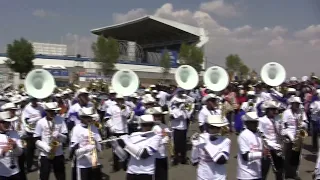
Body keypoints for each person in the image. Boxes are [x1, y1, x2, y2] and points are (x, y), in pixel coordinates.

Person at [34, 102, 68, 180]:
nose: (52, 113)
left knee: (61, 176)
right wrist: (45, 147)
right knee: (44, 176)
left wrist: (59, 135)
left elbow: (66, 138)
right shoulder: (40, 122)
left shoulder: (61, 120)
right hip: (45, 154)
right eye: (50, 111)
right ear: (46, 111)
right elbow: (35, 138)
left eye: (54, 111)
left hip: (58, 153)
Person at [190, 114, 231, 180]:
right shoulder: (200, 138)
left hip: (219, 177)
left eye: (217, 127)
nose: (215, 130)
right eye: (212, 127)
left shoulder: (226, 141)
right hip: (203, 176)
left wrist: (206, 144)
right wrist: (194, 147)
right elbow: (194, 162)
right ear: (207, 126)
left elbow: (221, 160)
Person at [70, 107, 102, 180]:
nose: (89, 119)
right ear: (81, 118)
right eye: (86, 117)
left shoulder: (94, 127)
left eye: (90, 117)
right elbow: (74, 150)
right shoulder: (76, 129)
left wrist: (97, 144)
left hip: (94, 162)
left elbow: (100, 146)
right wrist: (86, 148)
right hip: (82, 164)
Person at [258, 100, 284, 180]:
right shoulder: (261, 120)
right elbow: (261, 135)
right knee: (264, 170)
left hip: (277, 147)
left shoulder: (277, 119)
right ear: (267, 110)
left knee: (279, 170)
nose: (275, 112)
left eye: (275, 110)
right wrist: (270, 144)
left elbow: (280, 132)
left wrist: (281, 128)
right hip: (267, 148)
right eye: (272, 109)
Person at [237, 112, 263, 180]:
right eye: (253, 122)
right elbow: (245, 156)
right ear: (247, 123)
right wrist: (262, 154)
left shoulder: (258, 134)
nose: (255, 124)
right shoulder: (243, 135)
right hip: (246, 175)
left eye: (256, 122)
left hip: (257, 173)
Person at [0, 111, 23, 180]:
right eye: (4, 122)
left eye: (8, 122)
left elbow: (20, 153)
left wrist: (15, 146)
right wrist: (2, 152)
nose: (7, 124)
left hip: (15, 171)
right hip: (2, 173)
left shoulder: (14, 133)